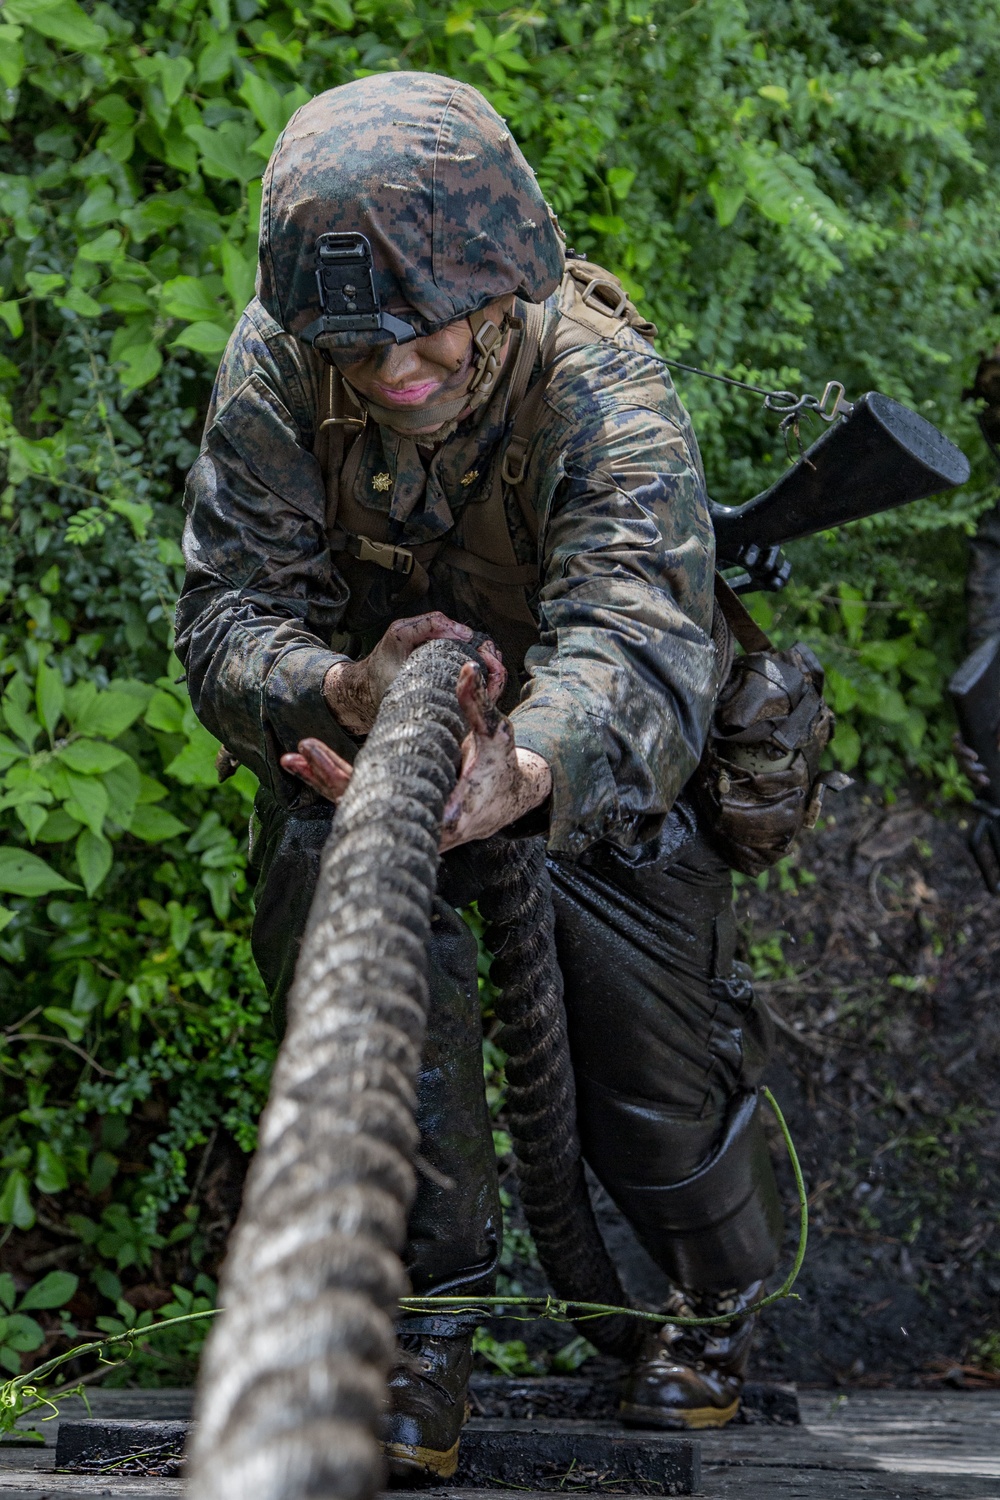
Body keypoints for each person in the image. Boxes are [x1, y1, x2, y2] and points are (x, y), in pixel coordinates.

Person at [175, 72, 784, 1478]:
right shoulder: (279, 368)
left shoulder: (603, 386)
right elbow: (223, 616)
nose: (392, 370)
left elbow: (641, 640)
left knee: (649, 1057)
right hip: (365, 758)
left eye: (425, 329)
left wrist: (527, 766)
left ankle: (686, 1305)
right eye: (355, 339)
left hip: (594, 771)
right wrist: (337, 690)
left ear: (506, 282)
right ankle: (415, 1327)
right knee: (362, 972)